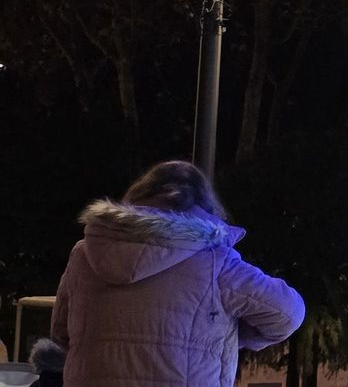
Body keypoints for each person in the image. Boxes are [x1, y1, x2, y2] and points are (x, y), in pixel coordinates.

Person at [50, 160, 305, 386]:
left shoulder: (84, 255)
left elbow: (62, 332)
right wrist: (226, 335)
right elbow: (289, 314)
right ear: (204, 208)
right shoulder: (215, 262)